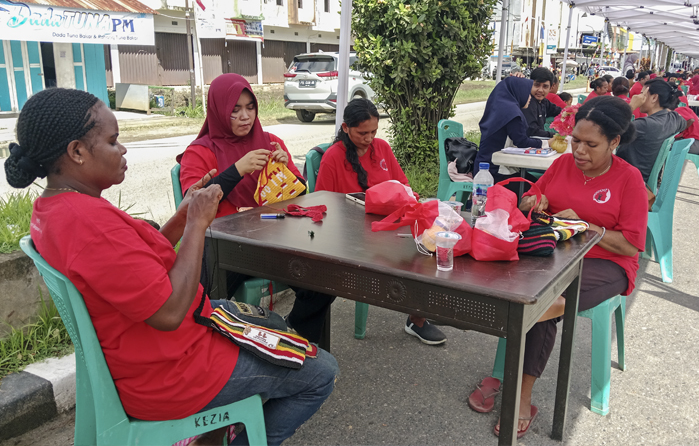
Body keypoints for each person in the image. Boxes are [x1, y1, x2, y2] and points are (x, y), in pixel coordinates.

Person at [5, 88, 338, 446]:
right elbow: (169, 313)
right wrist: (197, 224)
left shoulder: (58, 209)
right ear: (77, 152)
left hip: (152, 351)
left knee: (265, 320)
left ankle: (217, 429)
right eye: (114, 141)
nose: (123, 149)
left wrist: (182, 217)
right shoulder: (89, 224)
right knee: (322, 372)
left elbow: (141, 267)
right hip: (171, 373)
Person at [468, 96, 647, 439]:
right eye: (575, 140)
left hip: (608, 263)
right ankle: (505, 370)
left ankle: (521, 394)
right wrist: (535, 200)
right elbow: (530, 200)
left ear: (614, 143)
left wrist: (588, 226)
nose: (579, 150)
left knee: (544, 302)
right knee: (513, 285)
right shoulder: (563, 165)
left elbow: (631, 245)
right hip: (556, 252)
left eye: (590, 144)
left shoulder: (629, 180)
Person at [178, 73, 330, 345]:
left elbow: (300, 195)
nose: (245, 116)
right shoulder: (200, 151)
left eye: (250, 107)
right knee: (205, 303)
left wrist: (286, 172)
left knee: (324, 278)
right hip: (224, 247)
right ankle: (217, 351)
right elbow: (193, 201)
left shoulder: (270, 141)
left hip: (272, 241)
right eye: (234, 110)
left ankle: (295, 335)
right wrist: (237, 170)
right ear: (218, 110)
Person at [315, 99, 448, 345]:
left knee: (429, 244)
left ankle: (417, 317)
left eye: (374, 132)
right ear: (345, 128)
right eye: (362, 133)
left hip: (390, 225)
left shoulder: (382, 148)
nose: (369, 138)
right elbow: (323, 205)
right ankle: (417, 313)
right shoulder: (333, 157)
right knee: (410, 253)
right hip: (354, 234)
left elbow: (404, 186)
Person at [617, 79, 688, 183]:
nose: (639, 97)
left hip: (629, 178)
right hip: (649, 178)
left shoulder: (644, 125)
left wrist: (631, 106)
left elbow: (610, 130)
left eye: (642, 94)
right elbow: (683, 122)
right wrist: (664, 108)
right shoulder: (674, 119)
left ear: (654, 97)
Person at [474, 77, 544, 178]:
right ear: (518, 92)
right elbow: (522, 142)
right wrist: (546, 143)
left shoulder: (501, 107)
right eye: (528, 94)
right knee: (537, 188)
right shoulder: (512, 114)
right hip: (495, 172)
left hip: (485, 166)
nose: (530, 98)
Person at [520, 68, 563, 139]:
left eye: (545, 86)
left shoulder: (544, 102)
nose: (540, 90)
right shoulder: (527, 102)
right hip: (522, 146)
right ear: (530, 84)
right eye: (536, 85)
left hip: (538, 145)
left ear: (551, 87)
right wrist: (557, 136)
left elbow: (561, 112)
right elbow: (532, 131)